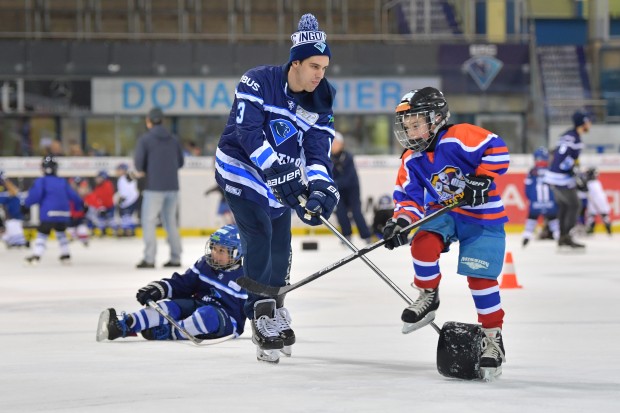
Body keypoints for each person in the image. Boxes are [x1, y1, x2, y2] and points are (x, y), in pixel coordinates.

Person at [214, 13, 338, 363]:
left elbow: (317, 150)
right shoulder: (257, 81)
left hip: (278, 177)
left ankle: (276, 303)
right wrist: (277, 168)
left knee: (281, 245)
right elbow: (247, 133)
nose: (319, 75)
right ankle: (261, 312)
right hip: (240, 168)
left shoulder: (322, 97)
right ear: (295, 63)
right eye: (314, 66)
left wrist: (320, 187)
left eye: (325, 67)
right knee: (260, 235)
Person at [383, 87, 509, 380]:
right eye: (407, 124)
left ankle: (493, 338)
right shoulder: (411, 160)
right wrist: (401, 222)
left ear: (437, 118)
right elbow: (409, 200)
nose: (410, 130)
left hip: (482, 217)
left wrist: (483, 179)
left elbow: (496, 147)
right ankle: (428, 295)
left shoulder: (459, 137)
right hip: (446, 214)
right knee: (423, 241)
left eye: (416, 123)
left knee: (481, 279)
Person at [96, 225, 247, 342]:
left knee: (207, 314)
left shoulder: (245, 278)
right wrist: (161, 288)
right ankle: (125, 325)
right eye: (214, 248)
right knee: (168, 306)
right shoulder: (204, 264)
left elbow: (256, 305)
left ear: (236, 253)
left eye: (221, 251)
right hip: (197, 305)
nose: (215, 254)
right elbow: (183, 284)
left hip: (225, 321)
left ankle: (169, 331)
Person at [133, 107, 185, 269]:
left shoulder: (145, 139)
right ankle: (175, 257)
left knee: (148, 222)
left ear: (149, 121)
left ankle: (149, 258)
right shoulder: (173, 139)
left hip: (153, 187)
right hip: (172, 186)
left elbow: (139, 165)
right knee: (170, 222)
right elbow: (181, 162)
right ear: (162, 121)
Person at [543, 110, 590, 248]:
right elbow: (565, 160)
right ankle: (566, 236)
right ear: (583, 123)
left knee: (564, 206)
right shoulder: (575, 138)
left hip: (553, 176)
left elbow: (557, 153)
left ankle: (562, 237)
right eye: (588, 121)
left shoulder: (567, 135)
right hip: (561, 178)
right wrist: (574, 173)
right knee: (575, 205)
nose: (590, 124)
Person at [23, 156, 83, 264]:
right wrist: (81, 206)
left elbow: (35, 195)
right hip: (64, 214)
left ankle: (37, 255)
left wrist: (26, 205)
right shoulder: (62, 181)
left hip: (48, 213)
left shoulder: (42, 181)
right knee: (61, 232)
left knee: (42, 233)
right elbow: (73, 196)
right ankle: (66, 255)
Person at [330, 131, 372, 244]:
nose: (334, 145)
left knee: (356, 211)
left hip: (352, 188)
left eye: (336, 143)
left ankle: (366, 235)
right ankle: (346, 235)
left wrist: (334, 183)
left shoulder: (348, 157)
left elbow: (349, 177)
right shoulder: (328, 158)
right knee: (340, 212)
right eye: (332, 143)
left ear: (341, 144)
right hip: (339, 190)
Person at [522, 147, 559, 247]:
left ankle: (526, 237)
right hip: (550, 202)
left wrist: (531, 199)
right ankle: (559, 238)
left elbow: (527, 188)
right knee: (554, 220)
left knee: (531, 219)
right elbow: (556, 187)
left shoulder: (532, 172)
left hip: (535, 203)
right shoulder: (551, 170)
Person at [0, 170, 29, 248]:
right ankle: (16, 240)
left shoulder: (10, 192)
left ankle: (17, 240)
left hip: (14, 217)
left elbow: (14, 192)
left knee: (12, 225)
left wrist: (4, 180)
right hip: (11, 218)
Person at [84, 170, 115, 237]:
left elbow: (106, 198)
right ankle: (100, 230)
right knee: (97, 218)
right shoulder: (98, 188)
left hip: (108, 207)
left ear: (103, 178)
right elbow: (95, 198)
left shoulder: (107, 184)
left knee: (110, 220)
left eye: (99, 177)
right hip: (102, 208)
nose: (97, 179)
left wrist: (101, 207)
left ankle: (112, 230)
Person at [583, 167, 612, 235]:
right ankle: (591, 229)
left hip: (597, 200)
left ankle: (608, 229)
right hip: (595, 200)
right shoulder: (595, 182)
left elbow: (592, 194)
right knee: (592, 215)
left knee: (603, 215)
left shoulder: (592, 183)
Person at [114, 163, 140, 237]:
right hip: (128, 200)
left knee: (128, 216)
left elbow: (131, 190)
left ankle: (129, 231)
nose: (118, 171)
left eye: (119, 170)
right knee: (125, 216)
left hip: (130, 200)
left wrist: (124, 198)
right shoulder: (123, 178)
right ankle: (127, 230)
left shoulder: (125, 178)